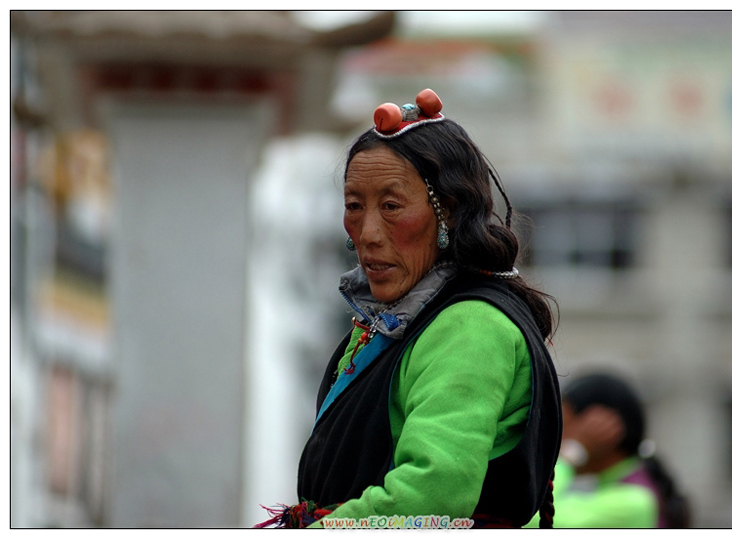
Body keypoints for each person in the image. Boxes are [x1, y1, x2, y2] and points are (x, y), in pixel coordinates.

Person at [256, 89, 562, 529]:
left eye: (392, 206)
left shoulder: (470, 326)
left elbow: (432, 490)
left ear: (449, 213)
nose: (368, 233)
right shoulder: (392, 322)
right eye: (354, 206)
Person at [524, 372, 691, 528]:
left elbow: (529, 517)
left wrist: (574, 452)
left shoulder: (635, 501)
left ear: (602, 428)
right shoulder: (618, 488)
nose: (557, 438)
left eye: (564, 426)